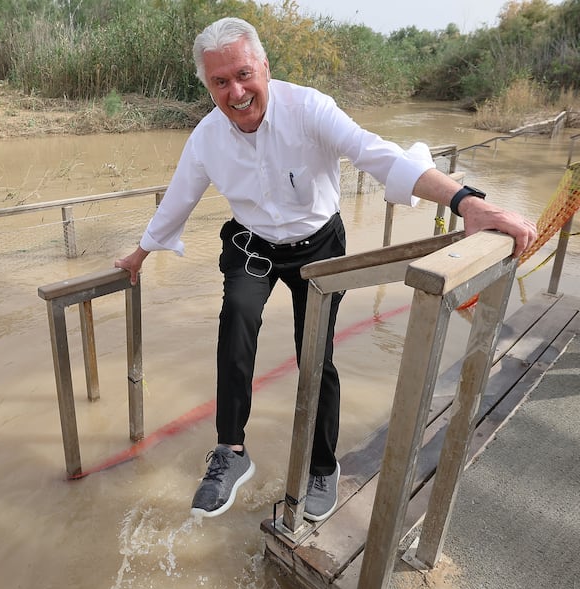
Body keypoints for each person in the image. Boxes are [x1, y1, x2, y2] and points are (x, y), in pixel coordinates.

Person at [114, 17, 537, 521]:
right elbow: (179, 199)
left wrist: (466, 202)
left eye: (244, 74)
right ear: (208, 86)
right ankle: (230, 452)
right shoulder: (207, 137)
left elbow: (377, 155)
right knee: (236, 325)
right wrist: (141, 252)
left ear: (265, 68)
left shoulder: (308, 108)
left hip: (319, 246)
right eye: (220, 82)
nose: (237, 92)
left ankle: (321, 464)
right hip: (254, 247)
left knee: (314, 353)